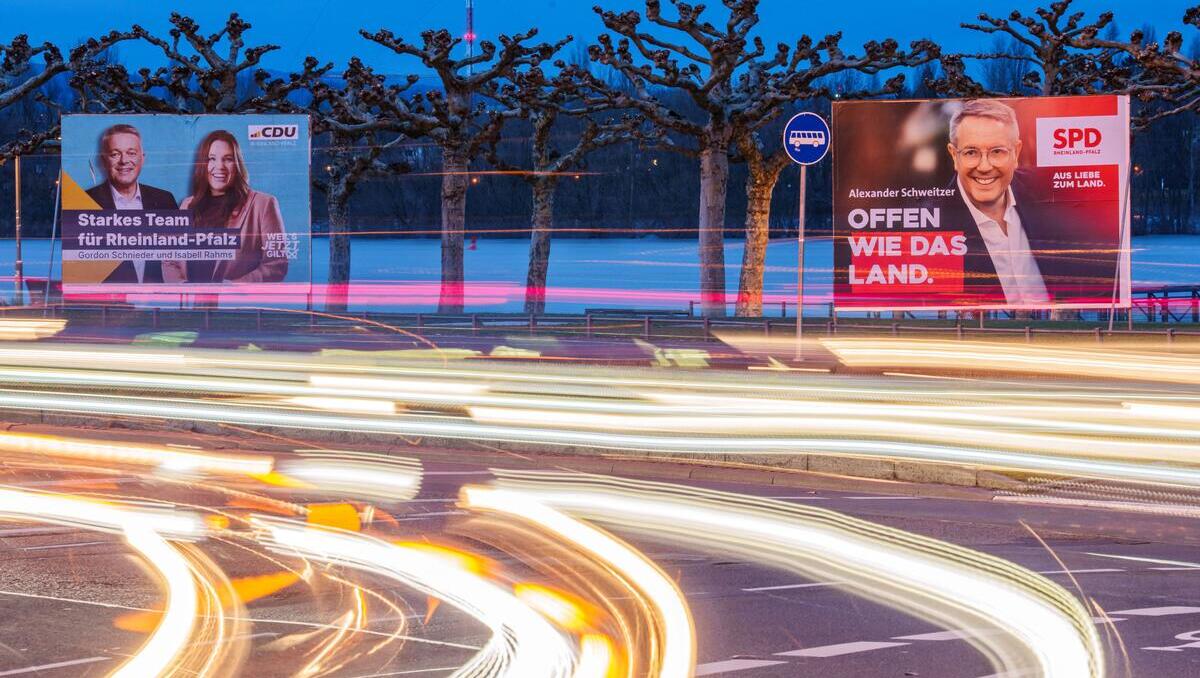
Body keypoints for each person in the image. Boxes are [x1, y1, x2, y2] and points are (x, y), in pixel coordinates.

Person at [941, 99, 1118, 305]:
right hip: (990, 331)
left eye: (997, 151)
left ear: (1016, 153)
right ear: (954, 155)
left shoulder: (1049, 190)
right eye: (971, 152)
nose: (985, 166)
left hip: (1053, 329)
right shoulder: (932, 220)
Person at [164, 130, 289, 284]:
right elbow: (170, 260)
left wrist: (233, 288)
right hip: (192, 305)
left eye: (228, 159)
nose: (219, 166)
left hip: (233, 305)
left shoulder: (263, 204)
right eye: (211, 159)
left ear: (237, 164)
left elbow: (276, 264)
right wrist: (183, 288)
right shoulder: (187, 204)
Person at [85, 123, 178, 283]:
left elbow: (180, 257)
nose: (124, 161)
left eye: (131, 153)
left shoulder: (164, 200)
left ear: (143, 158)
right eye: (115, 154)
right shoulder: (86, 202)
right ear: (103, 160)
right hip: (109, 304)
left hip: (157, 302)